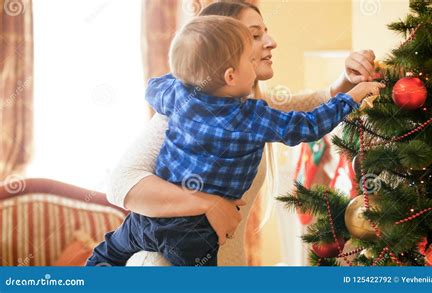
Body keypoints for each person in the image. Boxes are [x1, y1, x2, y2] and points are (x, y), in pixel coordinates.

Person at [105, 1, 381, 266]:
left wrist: (349, 81)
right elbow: (121, 183)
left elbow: (310, 109)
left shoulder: (245, 110)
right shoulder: (184, 112)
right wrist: (209, 205)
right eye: (254, 35)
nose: (271, 42)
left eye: (265, 32)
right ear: (222, 58)